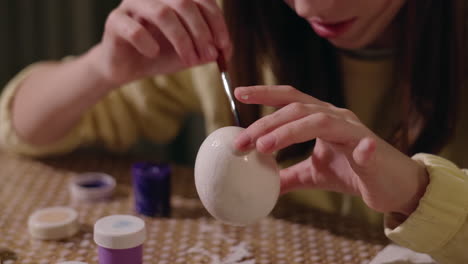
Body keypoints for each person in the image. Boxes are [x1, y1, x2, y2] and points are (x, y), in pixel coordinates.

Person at [1, 0, 467, 262]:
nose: (310, 6)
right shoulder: (232, 25)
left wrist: (416, 193)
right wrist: (103, 67)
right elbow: (22, 128)